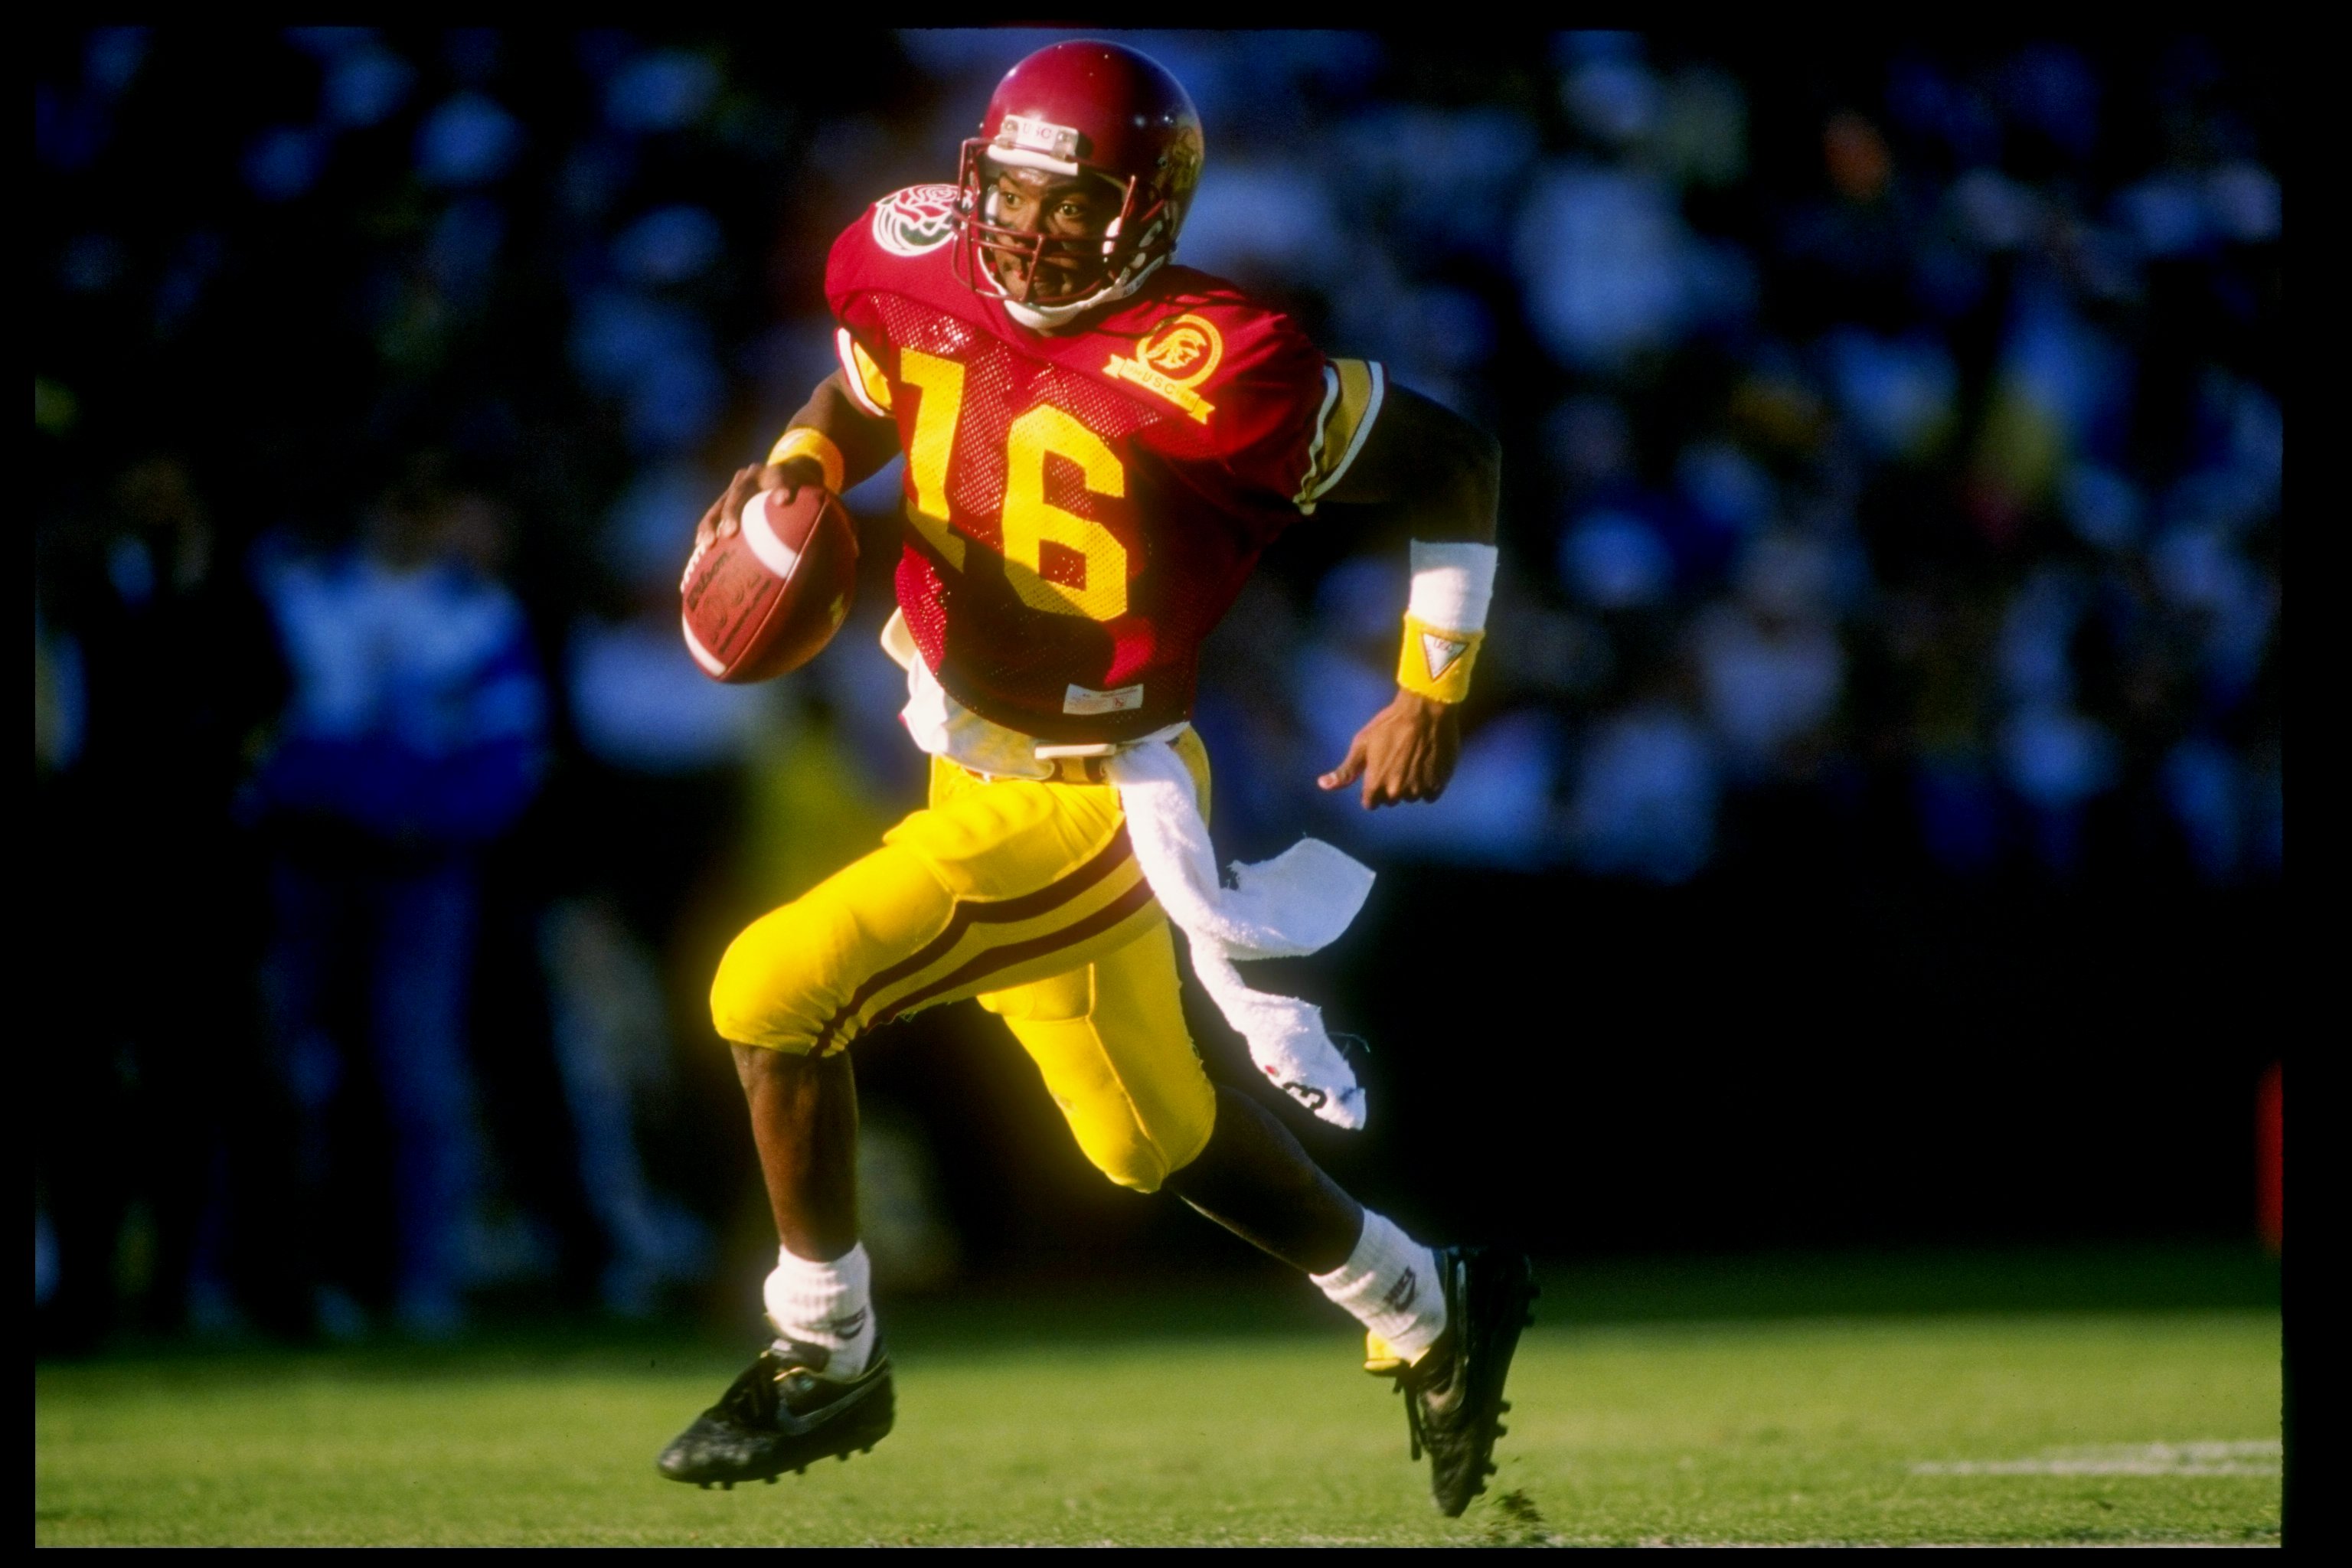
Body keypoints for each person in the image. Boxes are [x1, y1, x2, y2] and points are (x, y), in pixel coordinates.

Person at [656, 41, 1529, 1517]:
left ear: (1149, 214)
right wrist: (804, 452)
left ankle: (825, 1351)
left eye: (1077, 207)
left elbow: (1454, 460)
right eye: (1013, 191)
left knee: (765, 992)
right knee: (1143, 1134)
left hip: (1090, 792)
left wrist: (1427, 685)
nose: (1031, 229)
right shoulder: (914, 256)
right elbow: (869, 382)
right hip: (962, 760)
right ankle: (1428, 1304)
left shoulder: (1227, 363)